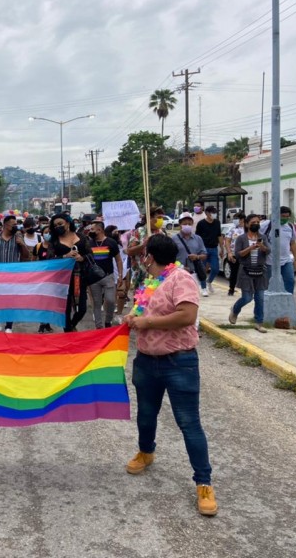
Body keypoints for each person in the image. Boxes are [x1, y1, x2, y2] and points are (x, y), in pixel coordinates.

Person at [123, 234, 217, 517]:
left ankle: (204, 482)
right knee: (146, 415)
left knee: (189, 423)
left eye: (144, 254)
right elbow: (140, 309)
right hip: (146, 361)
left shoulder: (181, 279)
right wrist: (131, 317)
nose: (141, 258)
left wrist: (147, 321)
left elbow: (187, 316)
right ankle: (146, 451)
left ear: (150, 256)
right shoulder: (150, 281)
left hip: (179, 363)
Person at [0, 214, 30, 332]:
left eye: (16, 224)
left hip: (13, 275)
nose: (15, 226)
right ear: (5, 225)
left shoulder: (18, 237)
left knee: (11, 300)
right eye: (13, 224)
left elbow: (26, 256)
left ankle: (9, 325)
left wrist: (22, 245)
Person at [228, 214, 271, 333]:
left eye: (258, 222)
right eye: (253, 222)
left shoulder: (263, 237)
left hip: (260, 271)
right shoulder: (241, 238)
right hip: (246, 271)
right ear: (247, 224)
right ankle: (235, 309)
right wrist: (250, 248)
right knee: (247, 297)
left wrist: (262, 247)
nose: (256, 224)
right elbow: (238, 254)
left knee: (260, 298)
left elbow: (268, 251)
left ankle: (259, 322)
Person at [49, 213, 91, 332]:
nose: (58, 227)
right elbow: (49, 259)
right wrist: (65, 256)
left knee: (82, 308)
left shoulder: (82, 237)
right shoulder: (54, 241)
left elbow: (90, 254)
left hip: (80, 277)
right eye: (55, 225)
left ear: (68, 223)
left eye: (60, 224)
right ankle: (67, 332)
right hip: (62, 280)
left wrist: (82, 258)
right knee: (65, 309)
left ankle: (72, 325)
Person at [87, 221, 123, 329]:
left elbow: (118, 260)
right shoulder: (89, 244)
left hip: (108, 276)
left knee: (111, 300)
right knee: (97, 303)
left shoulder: (111, 242)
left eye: (92, 229)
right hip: (93, 278)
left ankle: (108, 321)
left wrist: (120, 275)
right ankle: (99, 327)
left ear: (99, 230)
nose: (90, 231)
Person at [261, 206, 296, 294]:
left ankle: (287, 303)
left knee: (290, 281)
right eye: (283, 216)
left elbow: (292, 243)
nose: (285, 218)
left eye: (287, 216)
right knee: (270, 285)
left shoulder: (289, 226)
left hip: (286, 260)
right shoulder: (267, 225)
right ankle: (269, 304)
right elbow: (256, 234)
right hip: (271, 261)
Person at [126, 207, 165, 290]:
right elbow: (129, 252)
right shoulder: (139, 232)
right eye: (159, 218)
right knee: (141, 301)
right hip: (141, 275)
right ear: (149, 218)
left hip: (157, 276)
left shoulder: (162, 233)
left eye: (162, 218)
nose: (161, 220)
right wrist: (143, 245)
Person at [172, 212, 209, 296]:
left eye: (189, 223)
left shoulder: (198, 238)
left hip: (193, 274)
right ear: (180, 224)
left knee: (192, 297)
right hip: (178, 273)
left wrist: (197, 257)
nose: (187, 225)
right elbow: (169, 258)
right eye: (185, 224)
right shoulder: (174, 239)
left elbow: (204, 255)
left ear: (192, 224)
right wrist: (180, 267)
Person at [195, 206, 224, 293]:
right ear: (207, 213)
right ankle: (203, 288)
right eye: (212, 212)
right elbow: (197, 237)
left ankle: (209, 281)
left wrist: (221, 248)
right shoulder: (201, 223)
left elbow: (219, 235)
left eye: (215, 212)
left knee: (215, 269)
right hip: (203, 249)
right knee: (203, 269)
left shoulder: (217, 222)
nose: (214, 214)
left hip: (214, 248)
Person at [33, 225, 55, 333]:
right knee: (42, 301)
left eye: (50, 232)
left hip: (53, 278)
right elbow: (33, 262)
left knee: (50, 302)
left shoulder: (56, 246)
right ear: (42, 234)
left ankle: (47, 323)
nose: (48, 234)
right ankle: (42, 324)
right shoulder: (37, 247)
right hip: (41, 278)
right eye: (46, 232)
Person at [224, 213, 246, 296]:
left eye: (237, 218)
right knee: (234, 272)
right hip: (234, 254)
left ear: (242, 219)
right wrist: (229, 252)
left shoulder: (247, 229)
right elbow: (227, 241)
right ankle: (231, 289)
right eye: (234, 218)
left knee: (245, 272)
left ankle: (245, 289)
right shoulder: (232, 229)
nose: (235, 220)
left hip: (245, 254)